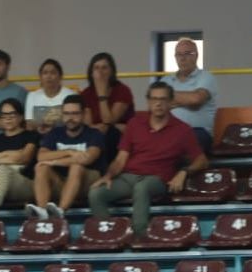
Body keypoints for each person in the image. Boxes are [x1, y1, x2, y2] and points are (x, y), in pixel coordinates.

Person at [88, 81, 207, 237]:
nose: (158, 103)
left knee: (142, 187)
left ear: (171, 102)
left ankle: (140, 238)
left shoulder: (183, 129)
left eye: (163, 99)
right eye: (154, 99)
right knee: (96, 193)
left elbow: (202, 160)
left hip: (157, 179)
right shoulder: (135, 123)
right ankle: (109, 237)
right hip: (129, 177)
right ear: (148, 102)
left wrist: (184, 172)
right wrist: (108, 176)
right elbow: (120, 158)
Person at [28, 94, 106, 219]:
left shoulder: (94, 134)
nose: (70, 118)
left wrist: (54, 162)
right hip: (63, 181)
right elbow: (41, 156)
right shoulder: (55, 133)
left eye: (75, 114)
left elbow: (86, 158)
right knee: (41, 167)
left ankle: (60, 211)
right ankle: (42, 212)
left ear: (83, 114)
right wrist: (69, 152)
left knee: (76, 167)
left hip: (88, 182)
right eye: (67, 114)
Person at [155, 39, 218, 153]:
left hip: (197, 132)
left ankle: (183, 170)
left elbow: (196, 99)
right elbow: (155, 105)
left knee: (177, 146)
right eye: (179, 54)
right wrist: (186, 100)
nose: (182, 58)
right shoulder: (166, 80)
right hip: (169, 131)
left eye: (187, 54)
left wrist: (168, 98)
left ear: (196, 56)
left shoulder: (206, 77)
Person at [80, 51, 135, 165]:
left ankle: (107, 173)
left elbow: (108, 120)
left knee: (110, 132)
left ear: (111, 71)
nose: (100, 72)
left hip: (119, 137)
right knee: (95, 135)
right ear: (91, 72)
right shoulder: (86, 93)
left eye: (104, 68)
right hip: (96, 135)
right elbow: (88, 125)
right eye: (96, 68)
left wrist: (101, 93)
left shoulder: (122, 90)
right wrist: (107, 126)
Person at [25, 59, 70, 133]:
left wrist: (53, 126)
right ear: (40, 77)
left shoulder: (70, 95)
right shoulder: (32, 96)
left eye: (53, 73)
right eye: (45, 73)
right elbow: (29, 125)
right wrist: (41, 125)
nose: (49, 76)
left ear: (60, 76)